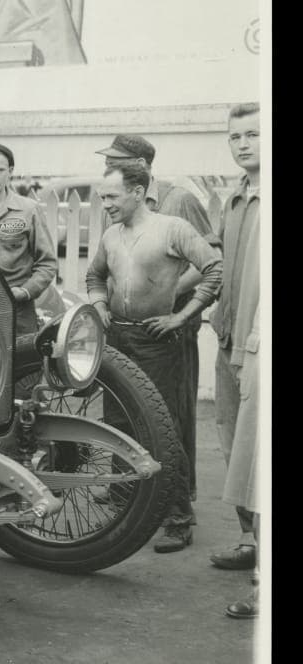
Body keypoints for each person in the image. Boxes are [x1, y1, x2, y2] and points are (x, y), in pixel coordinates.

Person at [85, 160, 222, 553]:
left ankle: (178, 518)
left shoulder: (171, 228)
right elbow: (95, 276)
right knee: (116, 425)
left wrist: (180, 316)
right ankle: (125, 506)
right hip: (116, 339)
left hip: (155, 341)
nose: (105, 203)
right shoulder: (111, 235)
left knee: (163, 430)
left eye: (111, 196)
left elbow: (214, 269)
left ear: (138, 191)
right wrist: (98, 304)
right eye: (102, 196)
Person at [208, 103, 263, 619]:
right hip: (229, 343)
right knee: (235, 451)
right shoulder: (236, 197)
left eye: (253, 134)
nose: (243, 144)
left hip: (260, 349)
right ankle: (252, 542)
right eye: (235, 136)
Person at [0, 142, 58, 335]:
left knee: (21, 361)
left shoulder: (28, 210)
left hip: (17, 311)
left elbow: (47, 263)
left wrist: (25, 291)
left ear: (11, 171)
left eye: (0, 170)